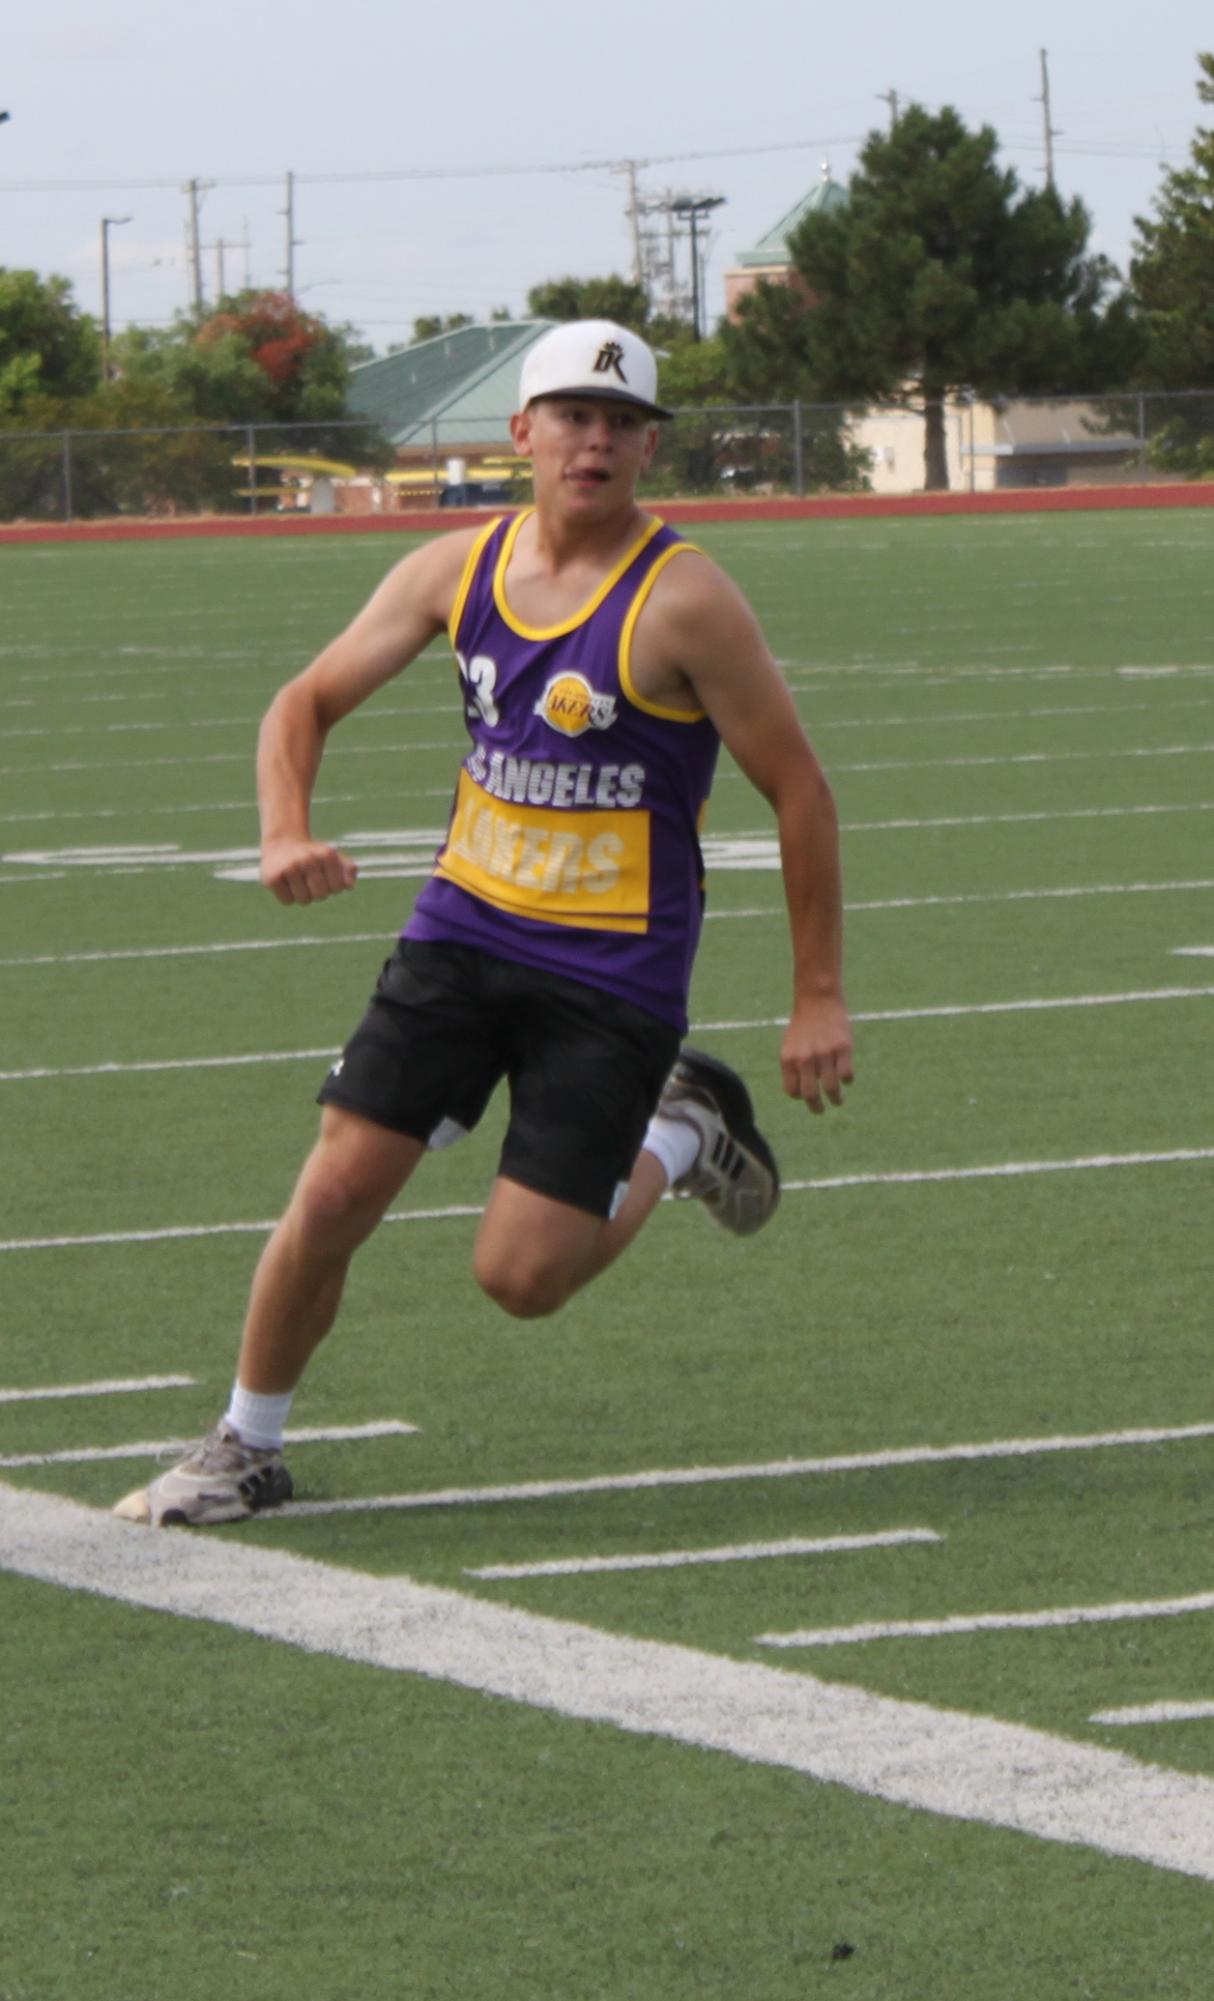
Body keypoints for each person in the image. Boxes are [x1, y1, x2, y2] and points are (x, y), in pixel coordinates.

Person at [115, 319, 853, 1529]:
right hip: (461, 934)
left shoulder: (686, 601)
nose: (596, 442)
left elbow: (800, 790)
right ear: (521, 433)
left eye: (622, 424)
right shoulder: (452, 569)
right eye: (572, 416)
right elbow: (302, 701)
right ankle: (246, 1443)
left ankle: (682, 1126)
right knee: (337, 1186)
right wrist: (281, 830)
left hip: (612, 977)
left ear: (646, 450)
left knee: (520, 1280)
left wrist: (815, 993)